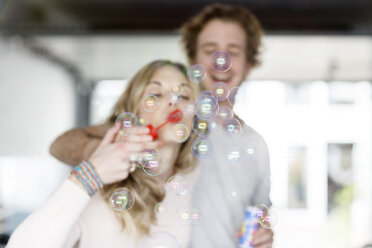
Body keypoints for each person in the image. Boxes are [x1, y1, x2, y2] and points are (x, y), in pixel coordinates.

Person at [49, 3, 274, 248]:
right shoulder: (169, 120)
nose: (222, 61)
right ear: (192, 61)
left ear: (249, 64)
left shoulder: (255, 145)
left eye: (234, 51)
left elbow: (259, 213)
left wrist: (263, 234)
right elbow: (61, 145)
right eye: (210, 50)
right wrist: (120, 153)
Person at [7, 60, 200, 248]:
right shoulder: (99, 191)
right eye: (156, 93)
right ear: (133, 111)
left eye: (183, 96)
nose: (173, 102)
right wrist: (91, 173)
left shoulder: (195, 180)